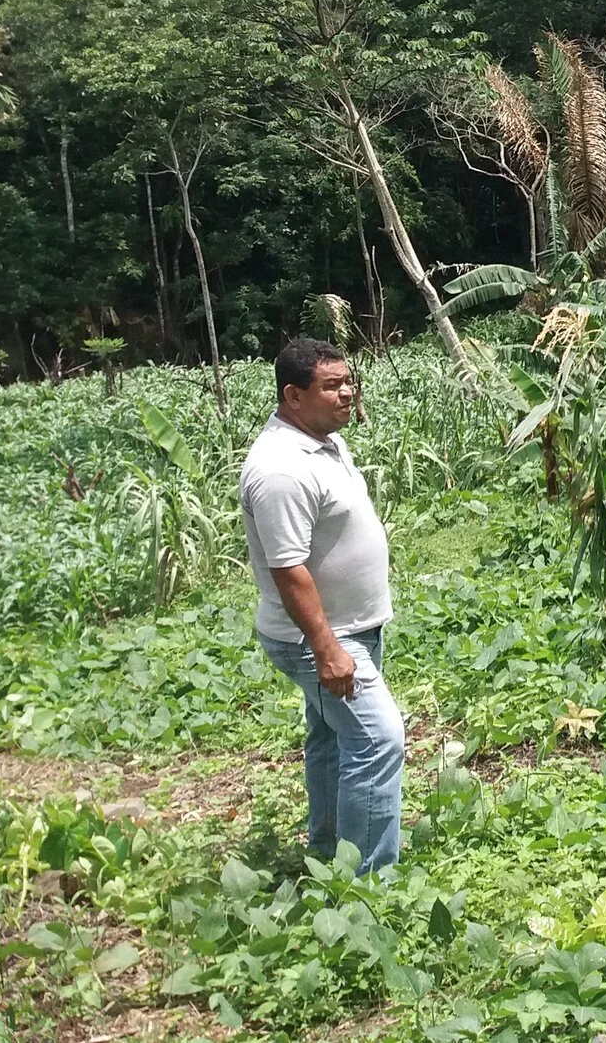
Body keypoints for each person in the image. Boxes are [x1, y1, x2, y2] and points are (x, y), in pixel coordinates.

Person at [239, 338, 405, 874]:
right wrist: (328, 648)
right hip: (322, 639)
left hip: (349, 627)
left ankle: (330, 852)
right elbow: (289, 571)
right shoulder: (281, 470)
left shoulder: (323, 440)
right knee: (378, 741)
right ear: (293, 396)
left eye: (348, 381)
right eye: (332, 386)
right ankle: (368, 882)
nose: (347, 394)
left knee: (334, 740)